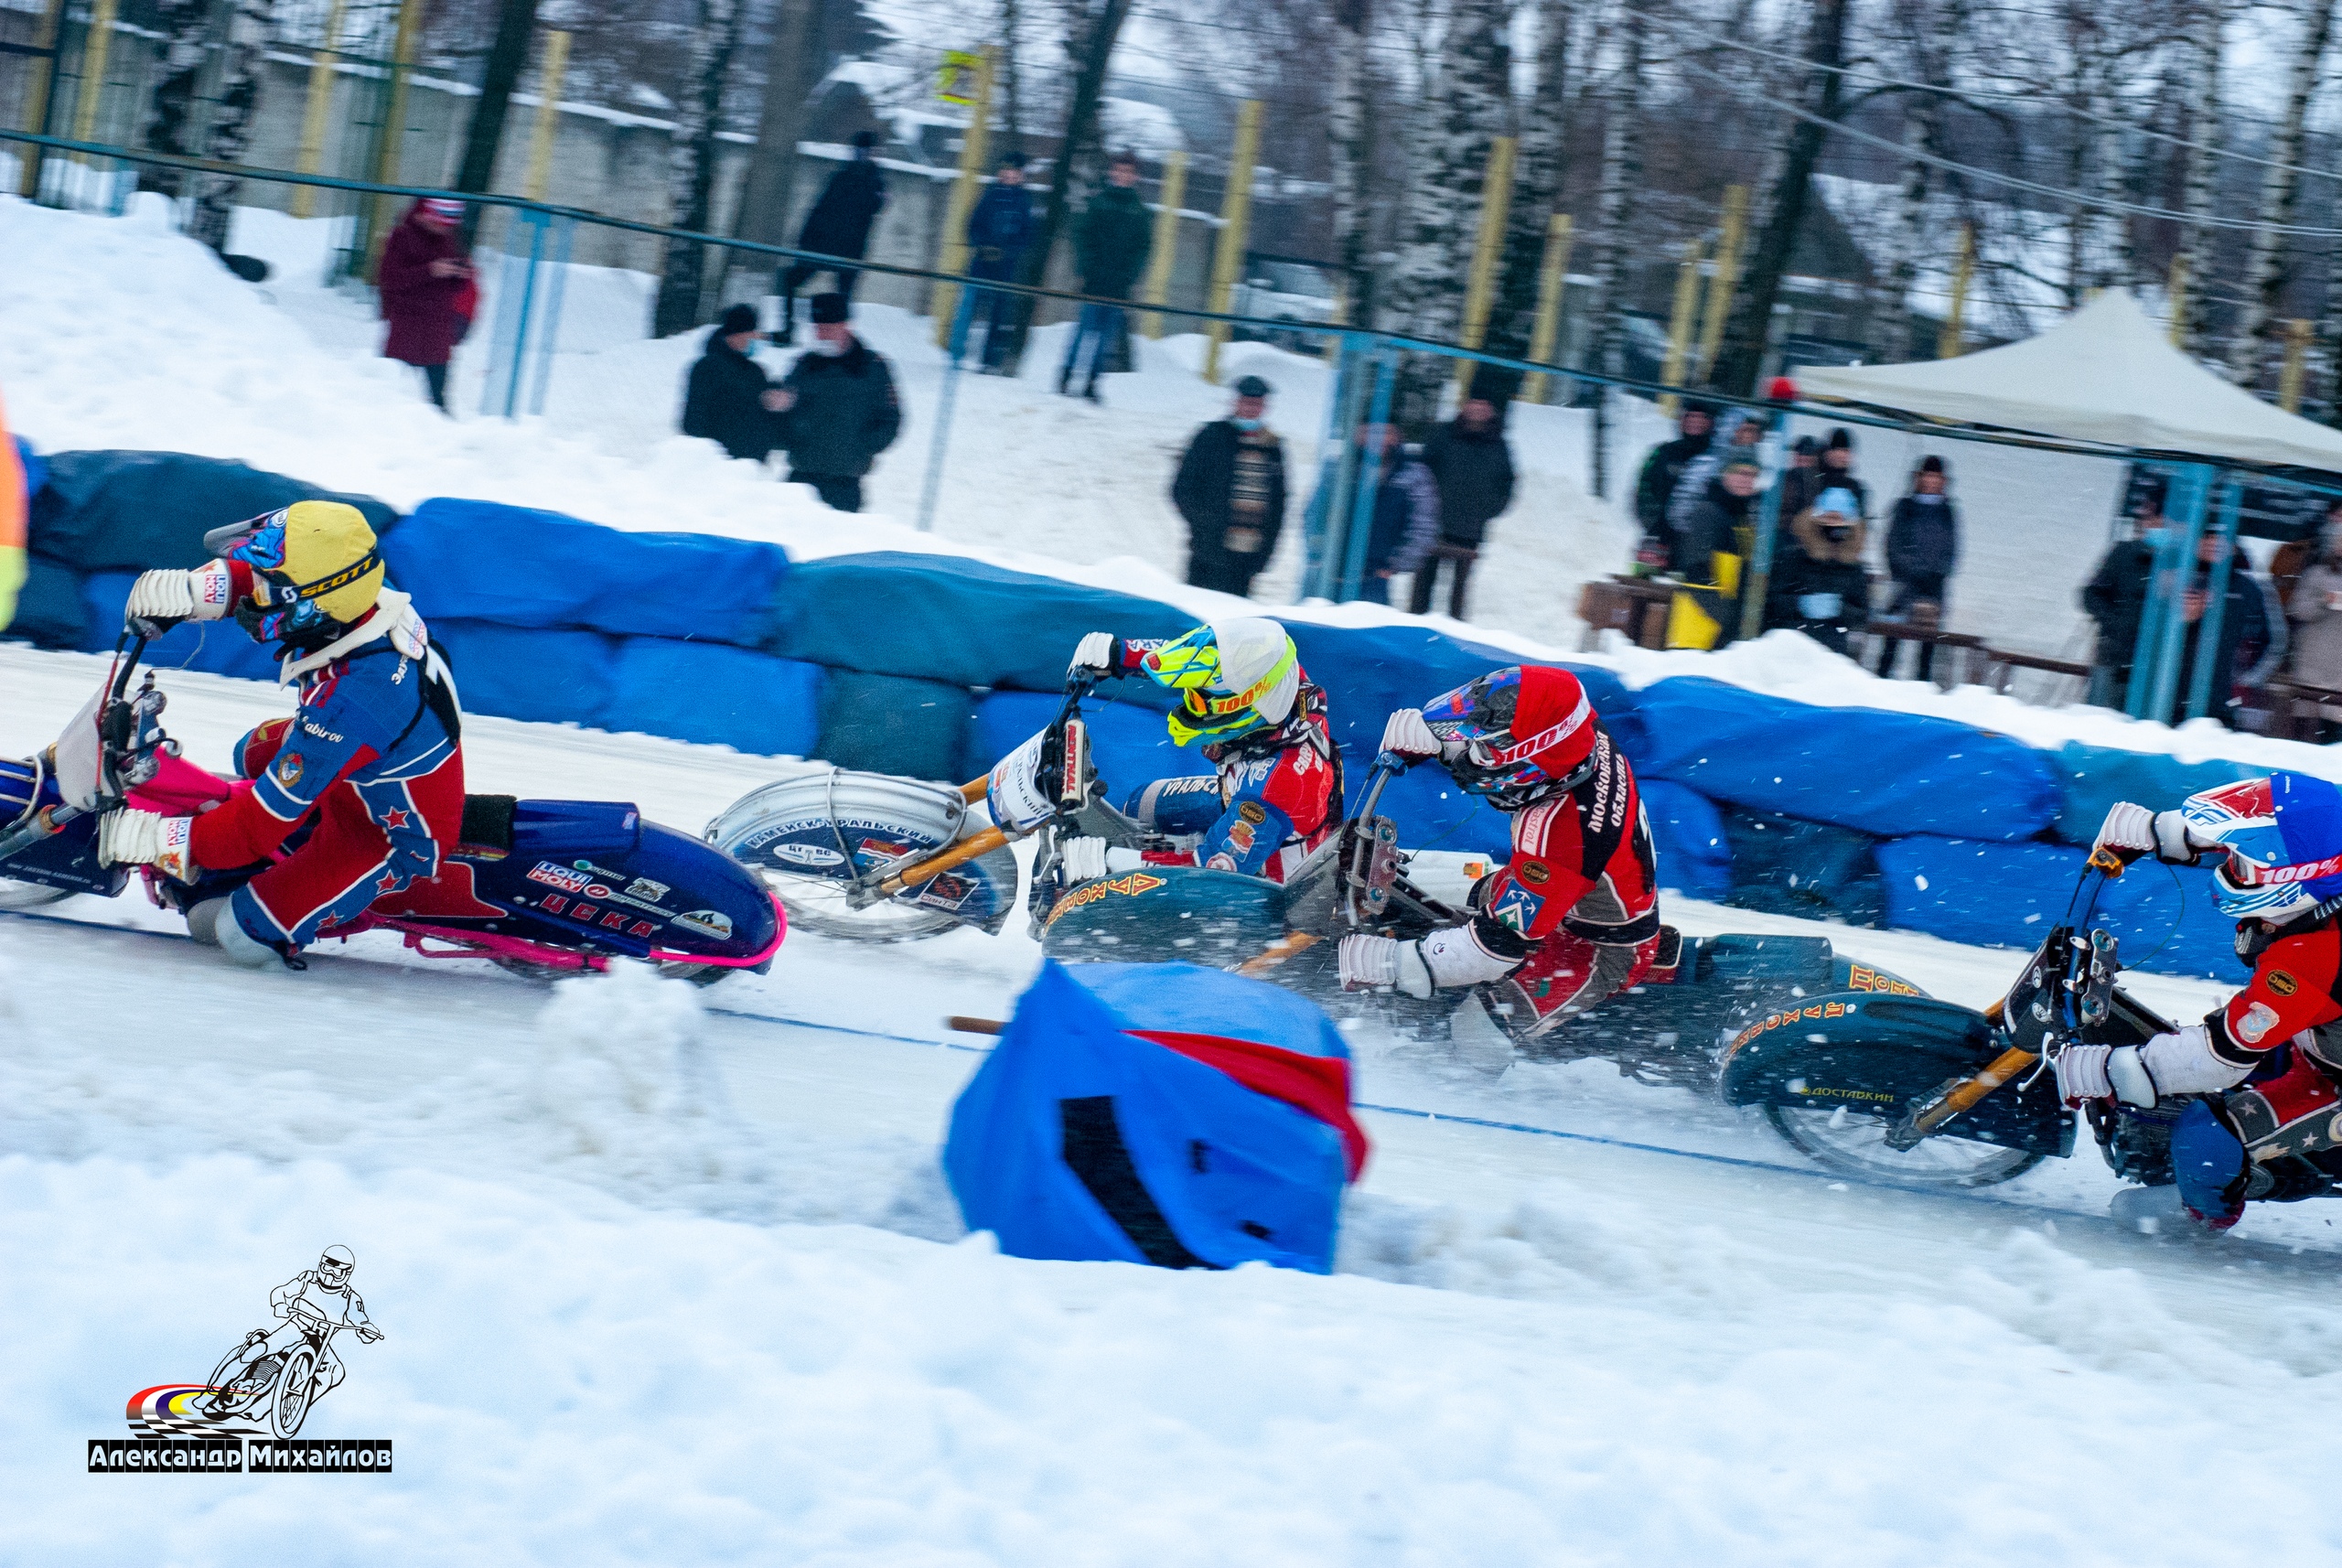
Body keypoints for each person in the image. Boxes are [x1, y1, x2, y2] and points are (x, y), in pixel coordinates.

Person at [96, 501, 466, 968]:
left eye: (272, 585)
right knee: (247, 752)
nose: (256, 591)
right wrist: (191, 591)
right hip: (370, 748)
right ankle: (254, 822)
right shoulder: (362, 593)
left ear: (311, 606)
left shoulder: (352, 702)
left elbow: (255, 830)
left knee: (231, 932)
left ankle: (293, 901)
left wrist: (154, 840)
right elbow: (283, 580)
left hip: (380, 832)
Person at [2061, 774, 2342, 1229]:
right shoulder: (2323, 888)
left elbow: (2220, 1055)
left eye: (2241, 864)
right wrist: (2161, 830)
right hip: (2319, 1044)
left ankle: (2199, 1220)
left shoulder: (2311, 958)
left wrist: (2110, 1070)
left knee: (2204, 1134)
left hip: (2333, 1084)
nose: (2229, 869)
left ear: (2292, 879)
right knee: (2190, 1061)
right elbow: (2270, 822)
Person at [1338, 664, 1662, 1046]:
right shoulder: (1577, 729)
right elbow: (1509, 719)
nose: (1475, 755)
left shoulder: (1562, 838)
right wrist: (1439, 736)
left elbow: (1494, 949)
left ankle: (1452, 1091)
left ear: (1530, 767)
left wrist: (1393, 964)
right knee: (1444, 900)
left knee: (1475, 1032)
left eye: (1484, 751)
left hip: (1595, 946)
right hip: (1573, 893)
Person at [1057, 619, 1340, 885]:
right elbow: (1204, 658)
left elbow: (1209, 874)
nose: (1191, 704)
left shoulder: (1281, 785)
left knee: (1115, 891)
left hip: (1259, 894)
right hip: (1242, 801)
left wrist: (1110, 861)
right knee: (1139, 803)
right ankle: (1157, 850)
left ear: (1244, 707)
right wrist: (1122, 653)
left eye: (1201, 700)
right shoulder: (1282, 680)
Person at [769, 293, 901, 512]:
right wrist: (779, 409)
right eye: (817, 329)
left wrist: (862, 448)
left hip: (845, 484)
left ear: (846, 326)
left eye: (828, 329)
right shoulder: (804, 366)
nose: (822, 335)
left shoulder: (873, 368)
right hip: (801, 480)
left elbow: (890, 418)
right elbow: (783, 415)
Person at [1172, 375, 1287, 596]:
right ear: (1235, 403)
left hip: (1248, 556)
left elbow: (1279, 503)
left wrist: (1267, 549)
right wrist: (1205, 525)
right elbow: (1182, 490)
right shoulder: (1211, 437)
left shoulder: (1272, 447)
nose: (1251, 409)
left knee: (1235, 623)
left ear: (1265, 407)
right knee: (1199, 615)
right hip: (1209, 552)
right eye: (1246, 402)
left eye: (1257, 404)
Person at [775, 130, 887, 345]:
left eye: (865, 151)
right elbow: (820, 209)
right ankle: (792, 331)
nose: (861, 155)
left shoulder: (871, 181)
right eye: (859, 151)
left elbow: (874, 206)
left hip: (843, 248)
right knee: (796, 281)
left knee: (842, 297)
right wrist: (805, 239)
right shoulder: (847, 177)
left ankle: (837, 340)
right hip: (826, 245)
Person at [1058, 151, 1155, 403]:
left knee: (1106, 335)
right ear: (1113, 172)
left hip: (1120, 282)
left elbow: (1143, 248)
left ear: (1135, 176)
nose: (1123, 176)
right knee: (1085, 328)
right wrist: (1085, 269)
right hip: (1095, 277)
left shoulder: (1140, 211)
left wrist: (1131, 275)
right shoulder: (1098, 203)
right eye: (1119, 170)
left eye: (1128, 172)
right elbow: (1082, 237)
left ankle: (1092, 381)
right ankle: (1067, 375)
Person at [1413, 391, 1517, 619]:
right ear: (1465, 405)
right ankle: (1414, 628)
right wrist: (1425, 505)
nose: (1478, 409)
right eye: (1474, 403)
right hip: (1433, 522)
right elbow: (1422, 470)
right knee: (1422, 586)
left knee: (1460, 591)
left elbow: (1508, 483)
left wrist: (1486, 511)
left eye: (1483, 405)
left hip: (1470, 528)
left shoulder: (1499, 445)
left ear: (1491, 411)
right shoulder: (1442, 434)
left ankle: (1455, 634)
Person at [2171, 524, 2280, 728]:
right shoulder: (2175, 578)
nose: (2213, 543)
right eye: (2207, 537)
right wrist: (2183, 622)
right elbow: (2147, 635)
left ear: (2234, 546)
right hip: (2169, 694)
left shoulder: (2250, 589)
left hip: (2224, 702)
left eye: (2221, 539)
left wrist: (2244, 681)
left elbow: (2271, 641)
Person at [377, 197, 476, 412]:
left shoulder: (448, 240)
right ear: (423, 215)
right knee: (390, 393)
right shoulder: (402, 237)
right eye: (439, 220)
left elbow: (453, 289)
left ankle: (441, 434)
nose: (444, 227)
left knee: (438, 399)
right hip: (408, 326)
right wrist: (430, 270)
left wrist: (460, 274)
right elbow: (390, 278)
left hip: (437, 329)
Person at [1871, 455, 1959, 681]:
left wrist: (1936, 573)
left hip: (1933, 589)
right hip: (1903, 586)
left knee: (1927, 648)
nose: (1932, 481)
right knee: (1891, 643)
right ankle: (1882, 683)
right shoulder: (1905, 507)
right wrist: (1912, 569)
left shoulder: (1948, 511)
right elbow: (1892, 545)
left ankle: (1922, 690)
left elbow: (1952, 550)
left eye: (1936, 477)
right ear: (1919, 478)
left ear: (1943, 481)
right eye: (1928, 476)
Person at [2082, 479, 2165, 707]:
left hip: (2157, 667)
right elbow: (2090, 594)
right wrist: (2115, 623)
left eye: (2151, 516)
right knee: (2100, 717)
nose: (2144, 523)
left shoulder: (2182, 563)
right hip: (2114, 659)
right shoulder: (2124, 552)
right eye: (2144, 516)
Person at [1666, 454, 1761, 650]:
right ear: (1725, 475)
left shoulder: (1743, 518)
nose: (1746, 480)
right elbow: (1697, 572)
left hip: (1724, 627)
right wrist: (1729, 618)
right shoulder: (1708, 512)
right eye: (1740, 473)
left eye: (1752, 475)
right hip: (1701, 626)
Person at [1764, 486, 1871, 656]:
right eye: (1829, 517)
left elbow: (1862, 614)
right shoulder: (1793, 557)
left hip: (1831, 652)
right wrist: (1800, 604)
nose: (1833, 524)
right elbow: (1771, 601)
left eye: (1840, 518)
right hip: (1789, 644)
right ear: (1817, 518)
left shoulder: (1853, 568)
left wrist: (1839, 609)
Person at [681, 303, 788, 462]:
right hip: (717, 465)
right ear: (736, 335)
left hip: (750, 467)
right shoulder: (707, 368)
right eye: (753, 334)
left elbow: (763, 411)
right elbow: (695, 420)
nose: (758, 339)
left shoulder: (754, 371)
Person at [1351, 424, 1439, 607]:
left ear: (1399, 437)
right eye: (1370, 432)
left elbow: (1423, 525)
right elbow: (1314, 514)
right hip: (1332, 568)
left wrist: (1397, 564)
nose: (1379, 439)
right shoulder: (1342, 468)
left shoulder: (1413, 475)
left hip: (1375, 576)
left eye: (1387, 432)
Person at [964, 151, 1037, 371]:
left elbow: (1027, 236)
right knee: (969, 304)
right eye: (1005, 170)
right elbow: (973, 225)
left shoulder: (1024, 201)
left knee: (998, 311)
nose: (1009, 175)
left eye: (1014, 171)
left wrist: (1007, 252)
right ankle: (958, 350)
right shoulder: (989, 195)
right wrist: (982, 245)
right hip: (981, 262)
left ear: (1021, 175)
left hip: (1005, 266)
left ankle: (990, 359)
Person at [1632, 402, 1714, 571]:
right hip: (1658, 536)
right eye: (1690, 415)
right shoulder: (1662, 452)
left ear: (1711, 422)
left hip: (1700, 540)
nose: (1695, 421)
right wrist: (1653, 525)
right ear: (1682, 419)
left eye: (1702, 417)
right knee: (1644, 583)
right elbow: (1644, 490)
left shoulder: (1716, 458)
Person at [2286, 510, 2342, 738]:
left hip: (2340, 678)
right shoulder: (2315, 575)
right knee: (2302, 739)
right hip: (2310, 672)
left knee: (2332, 744)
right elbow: (2297, 610)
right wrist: (2323, 600)